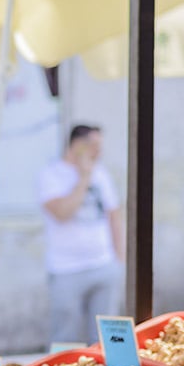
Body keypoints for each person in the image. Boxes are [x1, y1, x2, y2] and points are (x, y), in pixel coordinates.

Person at [37, 124, 125, 346]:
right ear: (76, 145)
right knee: (65, 335)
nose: (98, 152)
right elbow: (62, 213)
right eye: (93, 145)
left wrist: (119, 258)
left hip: (103, 264)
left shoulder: (101, 174)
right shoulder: (51, 175)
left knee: (106, 336)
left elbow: (113, 216)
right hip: (66, 269)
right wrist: (84, 178)